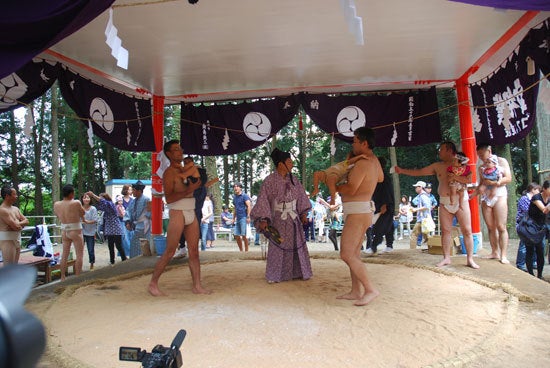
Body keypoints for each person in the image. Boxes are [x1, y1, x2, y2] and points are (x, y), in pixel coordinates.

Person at [395, 141, 479, 268]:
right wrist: (402, 171)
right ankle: (446, 258)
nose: (439, 152)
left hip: (461, 200)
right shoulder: (437, 166)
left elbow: (469, 178)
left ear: (450, 150)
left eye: (441, 149)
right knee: (445, 231)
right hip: (445, 202)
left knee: (467, 230)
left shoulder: (461, 163)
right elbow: (420, 172)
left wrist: (456, 178)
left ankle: (470, 259)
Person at [149, 140, 210, 296]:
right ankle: (153, 283)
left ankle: (197, 285)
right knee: (170, 250)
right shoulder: (169, 173)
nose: (180, 151)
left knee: (194, 251)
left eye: (180, 148)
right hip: (177, 211)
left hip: (191, 209)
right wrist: (191, 188)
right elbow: (169, 198)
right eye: (176, 149)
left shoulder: (187, 169)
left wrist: (196, 183)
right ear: (169, 154)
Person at [333, 127, 382, 306]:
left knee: (346, 254)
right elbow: (381, 178)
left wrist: (335, 186)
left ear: (364, 143)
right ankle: (356, 290)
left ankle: (370, 289)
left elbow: (352, 188)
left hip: (358, 211)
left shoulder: (363, 163)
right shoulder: (373, 161)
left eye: (355, 141)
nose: (352, 144)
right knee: (354, 253)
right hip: (360, 209)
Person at [251, 147, 313, 283]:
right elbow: (263, 200)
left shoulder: (294, 180)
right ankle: (274, 275)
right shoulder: (269, 180)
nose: (292, 164)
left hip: (293, 217)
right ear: (280, 164)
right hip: (278, 218)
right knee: (278, 246)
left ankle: (297, 272)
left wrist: (303, 213)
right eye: (289, 161)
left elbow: (302, 196)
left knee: (296, 246)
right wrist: (263, 219)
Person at [476, 143, 511, 264]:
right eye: (479, 155)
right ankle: (494, 251)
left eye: (482, 154)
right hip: (486, 197)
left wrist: (495, 182)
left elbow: (508, 178)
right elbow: (482, 182)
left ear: (489, 151)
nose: (481, 157)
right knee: (490, 226)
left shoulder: (501, 161)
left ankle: (504, 255)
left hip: (500, 194)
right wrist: (478, 191)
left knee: (501, 226)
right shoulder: (481, 166)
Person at [53, 184, 85, 281]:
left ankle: (63, 277)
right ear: (71, 193)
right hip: (75, 230)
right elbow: (83, 212)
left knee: (65, 254)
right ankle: (78, 276)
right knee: (79, 254)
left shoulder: (56, 204)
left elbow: (58, 216)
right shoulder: (76, 202)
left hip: (64, 230)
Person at [364, 157, 395, 254]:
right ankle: (389, 245)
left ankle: (373, 247)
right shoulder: (378, 175)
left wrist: (385, 204)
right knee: (388, 225)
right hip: (381, 203)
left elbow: (387, 191)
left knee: (380, 226)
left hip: (385, 204)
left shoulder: (383, 176)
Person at [87, 192, 127, 265]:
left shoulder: (110, 204)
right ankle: (112, 261)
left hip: (116, 228)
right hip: (109, 229)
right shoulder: (103, 207)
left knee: (119, 245)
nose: (100, 199)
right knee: (110, 246)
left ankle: (124, 259)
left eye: (101, 198)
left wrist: (93, 195)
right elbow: (97, 205)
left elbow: (102, 202)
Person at [525, 180, 550, 279]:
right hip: (530, 227)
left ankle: (539, 274)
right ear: (544, 188)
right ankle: (530, 274)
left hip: (541, 228)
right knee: (530, 250)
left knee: (540, 251)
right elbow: (544, 210)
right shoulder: (536, 198)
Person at [0, 186, 29, 264]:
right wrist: (18, 225)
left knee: (15, 266)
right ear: (7, 196)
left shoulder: (15, 209)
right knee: (9, 267)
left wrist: (18, 224)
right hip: (7, 240)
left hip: (17, 238)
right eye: (14, 194)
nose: (16, 196)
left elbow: (26, 221)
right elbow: (16, 227)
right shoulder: (2, 210)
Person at [515, 182, 540, 271]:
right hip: (524, 224)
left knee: (534, 243)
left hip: (533, 225)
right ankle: (520, 263)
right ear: (532, 190)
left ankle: (533, 262)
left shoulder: (536, 199)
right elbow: (528, 211)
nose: (538, 191)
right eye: (537, 189)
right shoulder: (524, 199)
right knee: (523, 244)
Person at [123, 180, 151, 258]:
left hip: (145, 226)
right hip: (136, 226)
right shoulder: (133, 201)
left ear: (139, 191)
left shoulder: (147, 200)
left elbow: (149, 213)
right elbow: (128, 211)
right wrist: (128, 222)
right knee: (134, 244)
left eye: (134, 190)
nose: (132, 192)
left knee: (144, 244)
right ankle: (134, 259)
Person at [232, 182, 252, 252]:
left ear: (240, 188)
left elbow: (249, 206)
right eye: (234, 186)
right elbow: (235, 208)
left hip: (244, 217)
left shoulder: (245, 196)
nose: (235, 188)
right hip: (238, 218)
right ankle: (241, 250)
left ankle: (246, 251)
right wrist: (233, 218)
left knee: (244, 235)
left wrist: (248, 216)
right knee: (236, 235)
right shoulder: (234, 197)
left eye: (237, 186)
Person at [80, 193, 98, 270]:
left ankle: (92, 263)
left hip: (91, 232)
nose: (86, 199)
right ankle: (79, 264)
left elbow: (95, 220)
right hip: (81, 231)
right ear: (82, 199)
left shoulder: (93, 208)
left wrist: (86, 221)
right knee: (79, 249)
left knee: (90, 249)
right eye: (84, 198)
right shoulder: (79, 208)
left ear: (90, 199)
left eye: (87, 198)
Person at [121, 184, 134, 258]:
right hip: (122, 221)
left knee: (131, 236)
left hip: (131, 220)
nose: (130, 191)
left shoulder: (132, 200)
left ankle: (131, 253)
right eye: (129, 189)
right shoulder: (120, 200)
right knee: (125, 237)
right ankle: (126, 253)